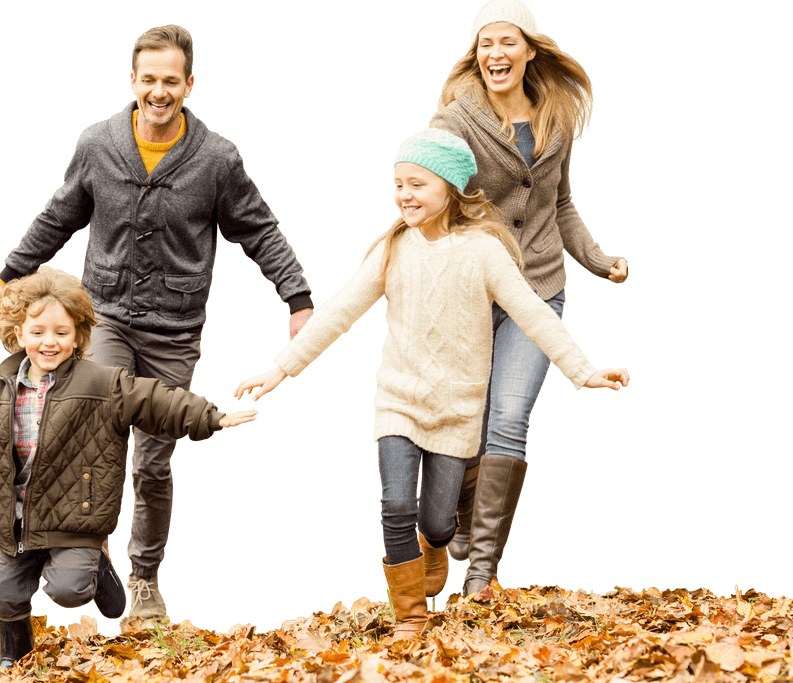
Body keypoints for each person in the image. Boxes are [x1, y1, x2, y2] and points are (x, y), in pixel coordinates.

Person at [0, 24, 313, 623]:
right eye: (149, 79)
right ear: (133, 81)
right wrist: (8, 275)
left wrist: (299, 301)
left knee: (153, 462)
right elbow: (59, 215)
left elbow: (258, 229)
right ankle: (88, 548)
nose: (160, 91)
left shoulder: (217, 158)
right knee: (84, 433)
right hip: (104, 316)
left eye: (171, 81)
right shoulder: (98, 142)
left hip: (175, 330)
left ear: (189, 85)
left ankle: (145, 577)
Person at [233, 129, 630, 639]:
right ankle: (410, 617)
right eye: (398, 183)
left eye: (417, 183)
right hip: (398, 401)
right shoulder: (392, 249)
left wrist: (583, 370)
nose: (404, 194)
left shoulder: (485, 252)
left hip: (459, 412)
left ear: (450, 188)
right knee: (397, 504)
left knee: (439, 523)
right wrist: (282, 366)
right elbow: (339, 311)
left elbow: (533, 314)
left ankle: (436, 546)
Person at [0, 266, 258, 669]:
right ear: (18, 334)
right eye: (37, 332)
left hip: (77, 518)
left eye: (61, 332)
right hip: (16, 522)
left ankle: (96, 565)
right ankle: (15, 655)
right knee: (2, 596)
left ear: (78, 336)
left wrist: (210, 417)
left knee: (69, 591)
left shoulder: (102, 384)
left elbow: (154, 400)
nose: (49, 342)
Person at [426, 0, 630, 600]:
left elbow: (560, 205)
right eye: (485, 43)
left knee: (509, 417)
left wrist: (598, 260)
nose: (496, 53)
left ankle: (481, 578)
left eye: (507, 41)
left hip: (539, 290)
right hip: (471, 291)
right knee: (466, 420)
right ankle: (455, 524)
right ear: (475, 54)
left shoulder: (554, 120)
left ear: (529, 50)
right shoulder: (454, 124)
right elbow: (435, 203)